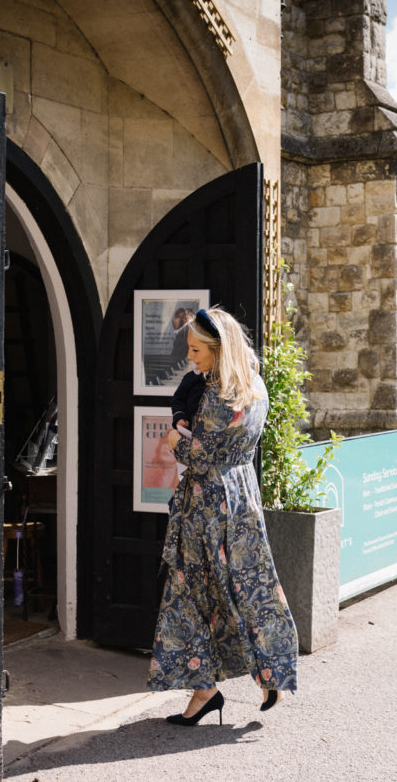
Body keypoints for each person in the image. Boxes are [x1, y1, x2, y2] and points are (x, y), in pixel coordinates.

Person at [147, 305, 298, 725]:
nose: (191, 358)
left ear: (218, 348)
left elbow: (197, 456)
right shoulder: (254, 385)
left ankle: (206, 690)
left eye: (196, 350)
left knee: (191, 591)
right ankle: (267, 673)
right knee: (250, 584)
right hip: (241, 496)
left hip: (207, 503)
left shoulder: (219, 396)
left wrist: (175, 434)